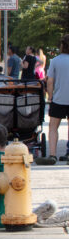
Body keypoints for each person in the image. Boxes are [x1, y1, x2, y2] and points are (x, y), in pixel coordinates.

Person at [42, 34, 69, 164]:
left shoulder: (55, 61)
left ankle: (52, 155)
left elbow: (50, 81)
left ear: (62, 45)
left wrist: (50, 96)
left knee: (53, 127)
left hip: (58, 98)